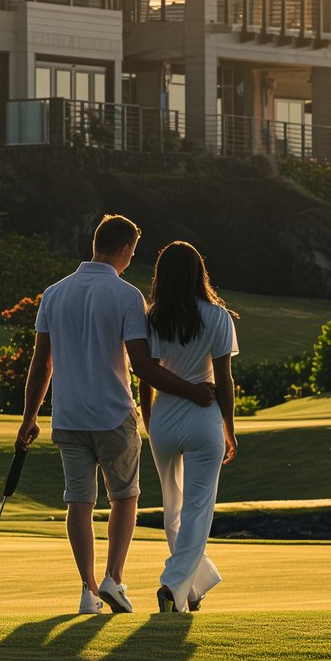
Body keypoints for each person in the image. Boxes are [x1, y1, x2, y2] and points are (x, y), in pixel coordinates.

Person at [16, 215, 217, 615]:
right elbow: (142, 365)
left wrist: (29, 417)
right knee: (126, 497)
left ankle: (88, 591)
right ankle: (114, 578)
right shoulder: (126, 296)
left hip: (68, 416)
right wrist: (193, 391)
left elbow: (42, 364)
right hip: (112, 413)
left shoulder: (54, 294)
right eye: (132, 254)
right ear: (125, 249)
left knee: (79, 501)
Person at [137, 241, 238, 614]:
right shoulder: (217, 317)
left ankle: (190, 589)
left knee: (173, 507)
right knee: (198, 508)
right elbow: (224, 381)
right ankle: (173, 586)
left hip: (163, 417)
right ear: (200, 273)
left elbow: (146, 377)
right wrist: (229, 426)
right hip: (204, 416)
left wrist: (149, 420)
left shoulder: (150, 317)